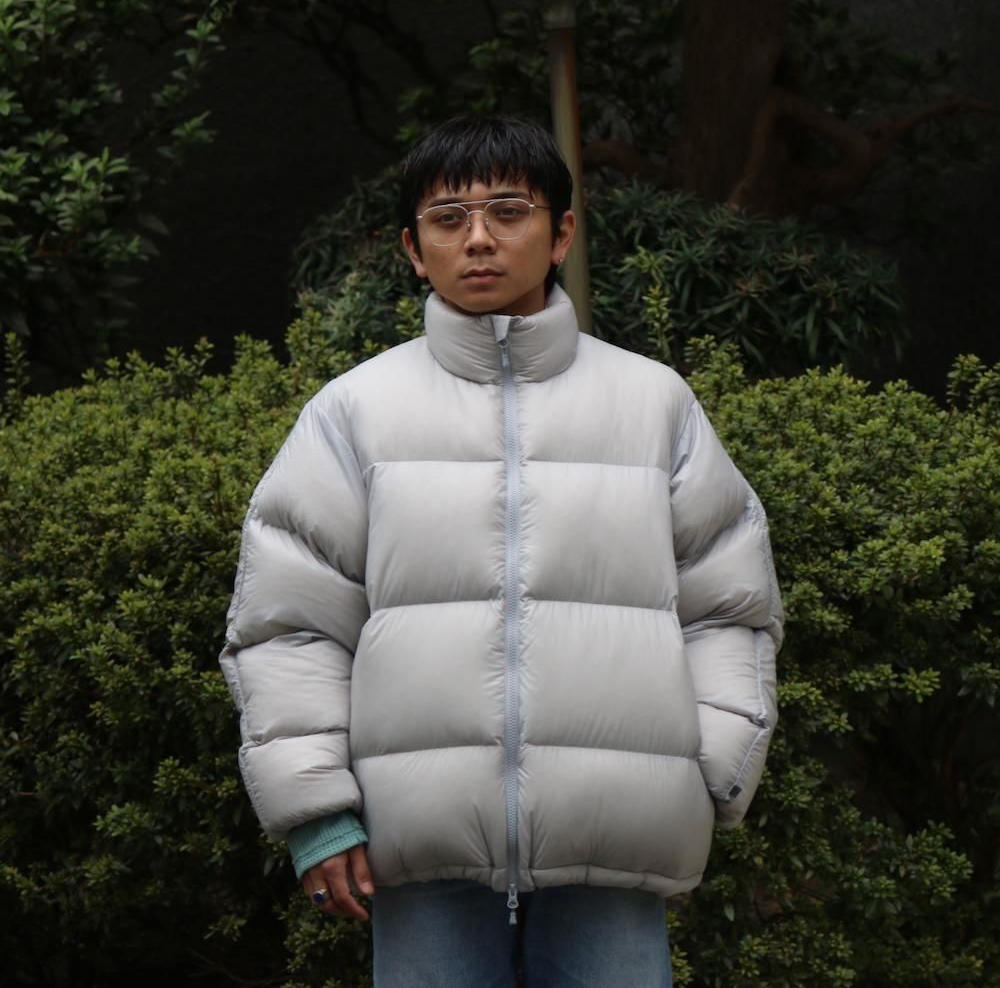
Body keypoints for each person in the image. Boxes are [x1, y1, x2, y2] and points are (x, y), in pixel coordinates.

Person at [220, 113, 782, 987]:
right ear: (414, 250)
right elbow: (287, 624)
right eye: (448, 219)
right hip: (417, 842)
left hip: (615, 836)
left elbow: (729, 604)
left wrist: (707, 772)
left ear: (561, 234)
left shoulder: (654, 404)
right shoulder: (353, 413)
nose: (478, 238)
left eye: (509, 212)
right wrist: (318, 810)